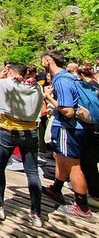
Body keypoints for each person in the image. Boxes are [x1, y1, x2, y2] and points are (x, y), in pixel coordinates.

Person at [0, 63, 44, 228]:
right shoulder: (36, 87)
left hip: (8, 132)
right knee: (32, 172)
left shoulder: (4, 84)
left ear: (10, 72)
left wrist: (1, 76)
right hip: (31, 132)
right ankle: (36, 214)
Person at [41, 50, 93, 222]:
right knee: (60, 158)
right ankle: (56, 189)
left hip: (68, 127)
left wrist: (48, 97)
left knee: (73, 165)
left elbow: (68, 111)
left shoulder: (62, 81)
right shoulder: (69, 77)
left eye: (43, 59)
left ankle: (82, 207)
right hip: (72, 127)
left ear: (48, 60)